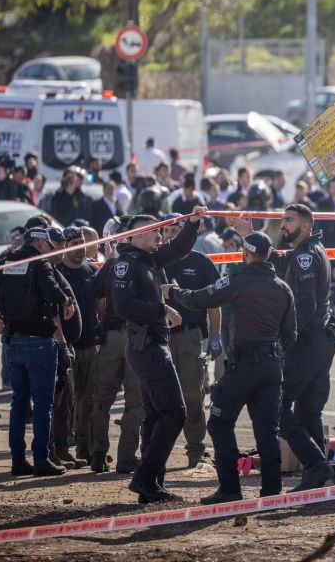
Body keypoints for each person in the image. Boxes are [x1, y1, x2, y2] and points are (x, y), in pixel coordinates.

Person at [168, 230, 296, 503]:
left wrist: (175, 291)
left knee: (220, 422)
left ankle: (229, 489)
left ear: (245, 254)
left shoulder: (239, 280)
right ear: (270, 255)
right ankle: (272, 492)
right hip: (272, 365)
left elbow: (201, 299)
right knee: (268, 429)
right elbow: (291, 333)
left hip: (245, 364)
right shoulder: (283, 287)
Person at [112, 206, 205, 504]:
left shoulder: (150, 259)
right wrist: (162, 309)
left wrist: (192, 223)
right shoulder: (126, 263)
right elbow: (123, 306)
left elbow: (179, 248)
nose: (160, 234)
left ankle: (151, 483)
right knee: (175, 412)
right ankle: (145, 477)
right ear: (137, 235)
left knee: (154, 416)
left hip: (154, 343)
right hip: (146, 345)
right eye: (154, 230)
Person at [271, 203, 335, 492]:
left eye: (289, 220)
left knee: (276, 406)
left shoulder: (307, 255)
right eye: (282, 220)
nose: (283, 225)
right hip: (319, 341)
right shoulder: (308, 250)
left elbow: (307, 303)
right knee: (309, 410)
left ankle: (316, 465)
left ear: (305, 225)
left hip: (307, 342)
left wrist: (287, 337)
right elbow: (283, 262)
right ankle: (317, 473)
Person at [2, 225, 76, 476]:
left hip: (12, 339)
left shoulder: (7, 260)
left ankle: (17, 460)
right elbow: (52, 291)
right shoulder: (40, 262)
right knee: (43, 406)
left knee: (18, 404)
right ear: (42, 244)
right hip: (38, 341)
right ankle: (42, 460)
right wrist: (67, 301)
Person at [160, 214, 222, 468]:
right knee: (155, 396)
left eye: (177, 229)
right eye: (168, 230)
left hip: (189, 336)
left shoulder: (200, 262)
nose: (172, 234)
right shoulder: (154, 260)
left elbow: (214, 302)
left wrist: (216, 336)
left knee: (193, 394)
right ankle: (153, 451)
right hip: (158, 336)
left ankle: (195, 449)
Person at [87, 231, 145, 475]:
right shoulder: (148, 264)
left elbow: (93, 293)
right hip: (136, 337)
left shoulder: (113, 264)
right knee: (134, 402)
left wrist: (109, 262)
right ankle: (126, 458)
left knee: (102, 399)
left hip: (111, 336)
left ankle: (97, 456)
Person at [55, 227, 100, 467]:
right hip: (64, 347)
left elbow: (101, 304)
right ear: (65, 246)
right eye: (75, 243)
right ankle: (61, 447)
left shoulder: (93, 271)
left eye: (83, 242)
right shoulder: (57, 273)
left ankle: (86, 448)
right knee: (64, 401)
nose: (81, 247)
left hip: (90, 346)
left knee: (88, 400)